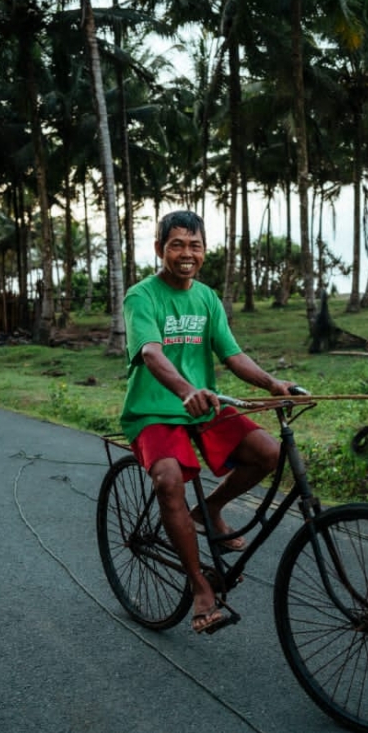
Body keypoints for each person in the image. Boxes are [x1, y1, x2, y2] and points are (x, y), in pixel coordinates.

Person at [120, 210, 296, 634]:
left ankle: (210, 507)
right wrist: (185, 391)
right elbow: (151, 353)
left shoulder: (207, 298)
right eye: (177, 244)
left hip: (206, 406)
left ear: (204, 250)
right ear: (159, 249)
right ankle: (200, 585)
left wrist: (273, 383)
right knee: (167, 480)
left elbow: (232, 355)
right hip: (156, 409)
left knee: (271, 454)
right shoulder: (141, 297)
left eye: (194, 245)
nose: (186, 253)